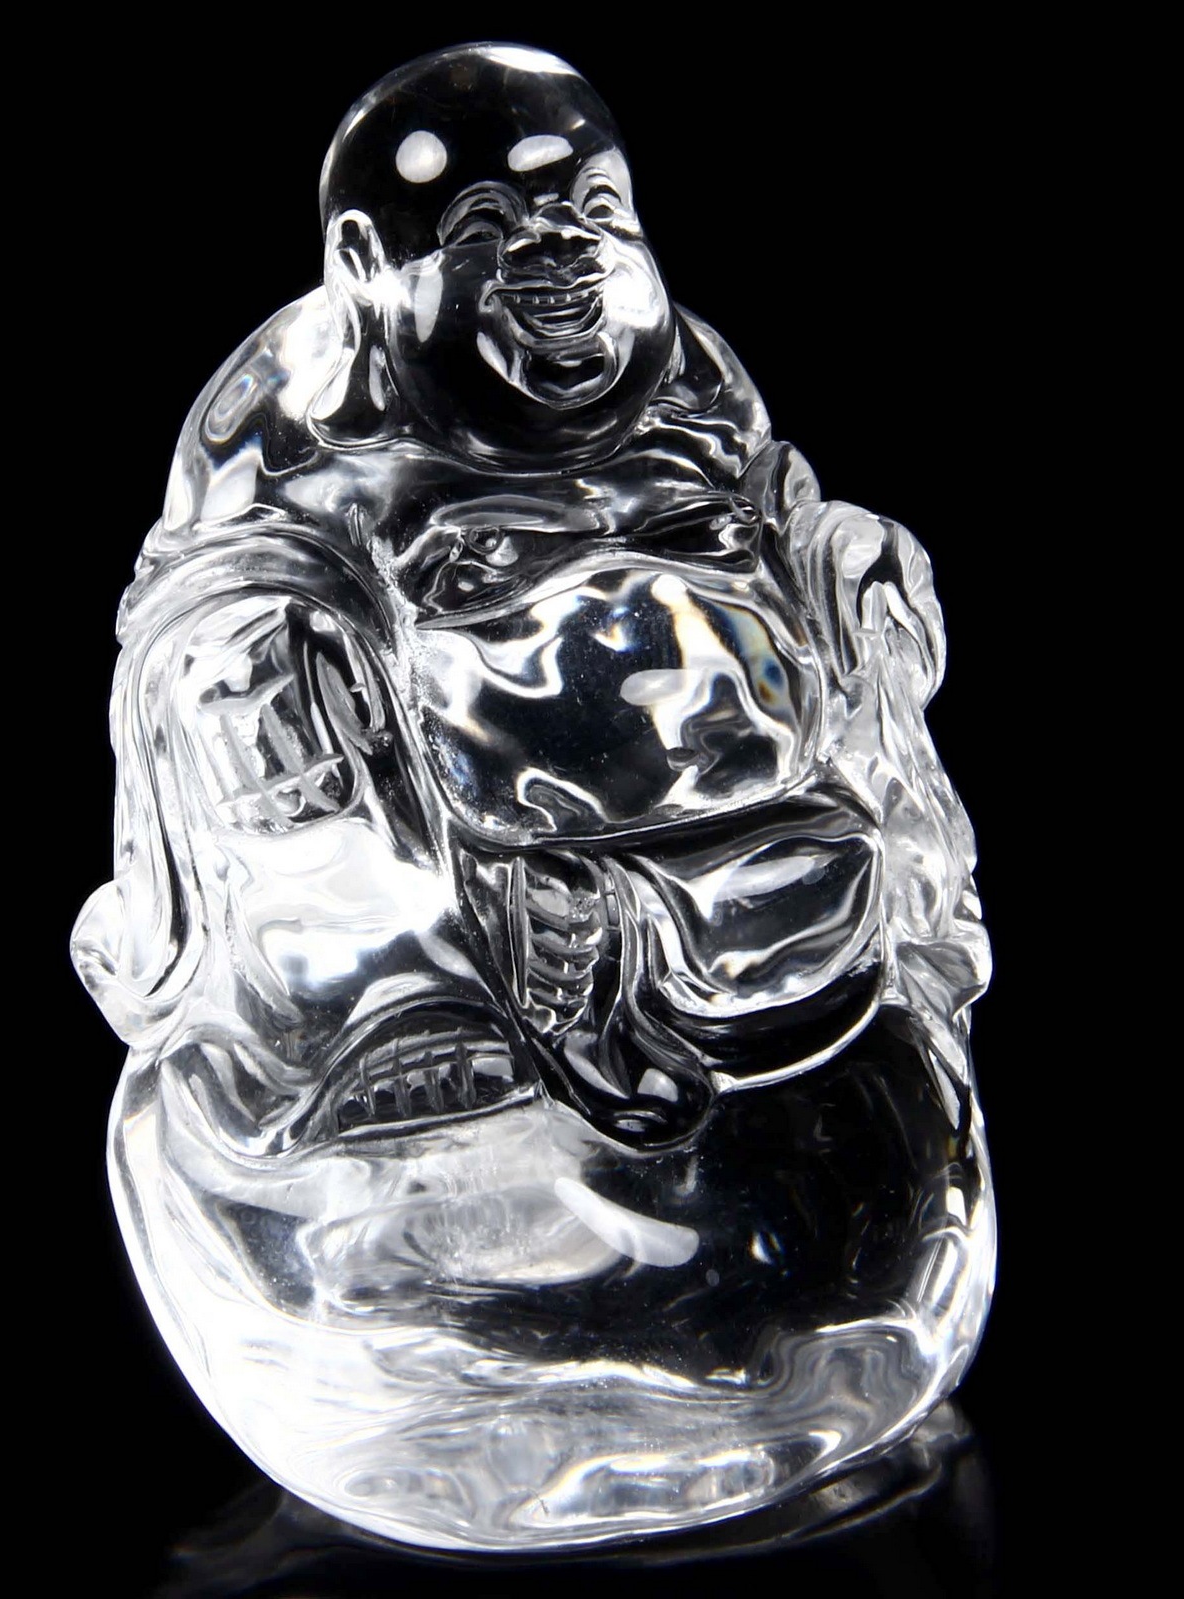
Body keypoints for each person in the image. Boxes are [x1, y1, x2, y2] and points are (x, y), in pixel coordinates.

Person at [74, 44, 987, 1152]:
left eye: (595, 210)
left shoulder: (691, 373)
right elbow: (197, 598)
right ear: (364, 267)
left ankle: (604, 961)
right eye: (485, 229)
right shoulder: (286, 424)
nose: (560, 254)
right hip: (471, 807)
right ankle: (448, 996)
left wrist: (848, 557)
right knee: (272, 681)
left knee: (834, 874)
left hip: (729, 777)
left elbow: (775, 506)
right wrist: (265, 642)